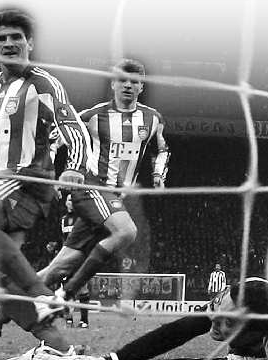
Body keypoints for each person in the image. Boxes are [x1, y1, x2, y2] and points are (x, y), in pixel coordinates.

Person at [0, 7, 94, 349]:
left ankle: (39, 294)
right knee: (4, 276)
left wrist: (75, 166)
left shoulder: (42, 83)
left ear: (29, 43)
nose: (8, 43)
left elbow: (73, 127)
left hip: (27, 182)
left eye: (16, 37)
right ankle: (61, 348)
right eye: (1, 38)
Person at [39, 58, 170, 302]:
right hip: (92, 187)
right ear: (112, 84)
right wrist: (52, 174)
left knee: (61, 266)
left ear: (142, 86)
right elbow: (55, 139)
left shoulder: (153, 119)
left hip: (112, 200)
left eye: (135, 81)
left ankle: (7, 304)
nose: (128, 85)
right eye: (122, 80)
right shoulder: (93, 115)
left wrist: (158, 174)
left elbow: (162, 150)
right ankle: (65, 294)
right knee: (127, 231)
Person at [27, 277, 268, 360]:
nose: (214, 321)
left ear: (256, 334)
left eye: (228, 322)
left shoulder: (267, 358)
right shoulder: (244, 295)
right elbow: (180, 330)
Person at [60, 194, 90, 328]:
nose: (71, 202)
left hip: (80, 257)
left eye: (73, 200)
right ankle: (69, 319)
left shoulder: (83, 218)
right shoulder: (63, 220)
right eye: (69, 200)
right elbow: (63, 239)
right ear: (66, 203)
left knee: (82, 287)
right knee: (67, 288)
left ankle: (84, 321)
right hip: (66, 259)